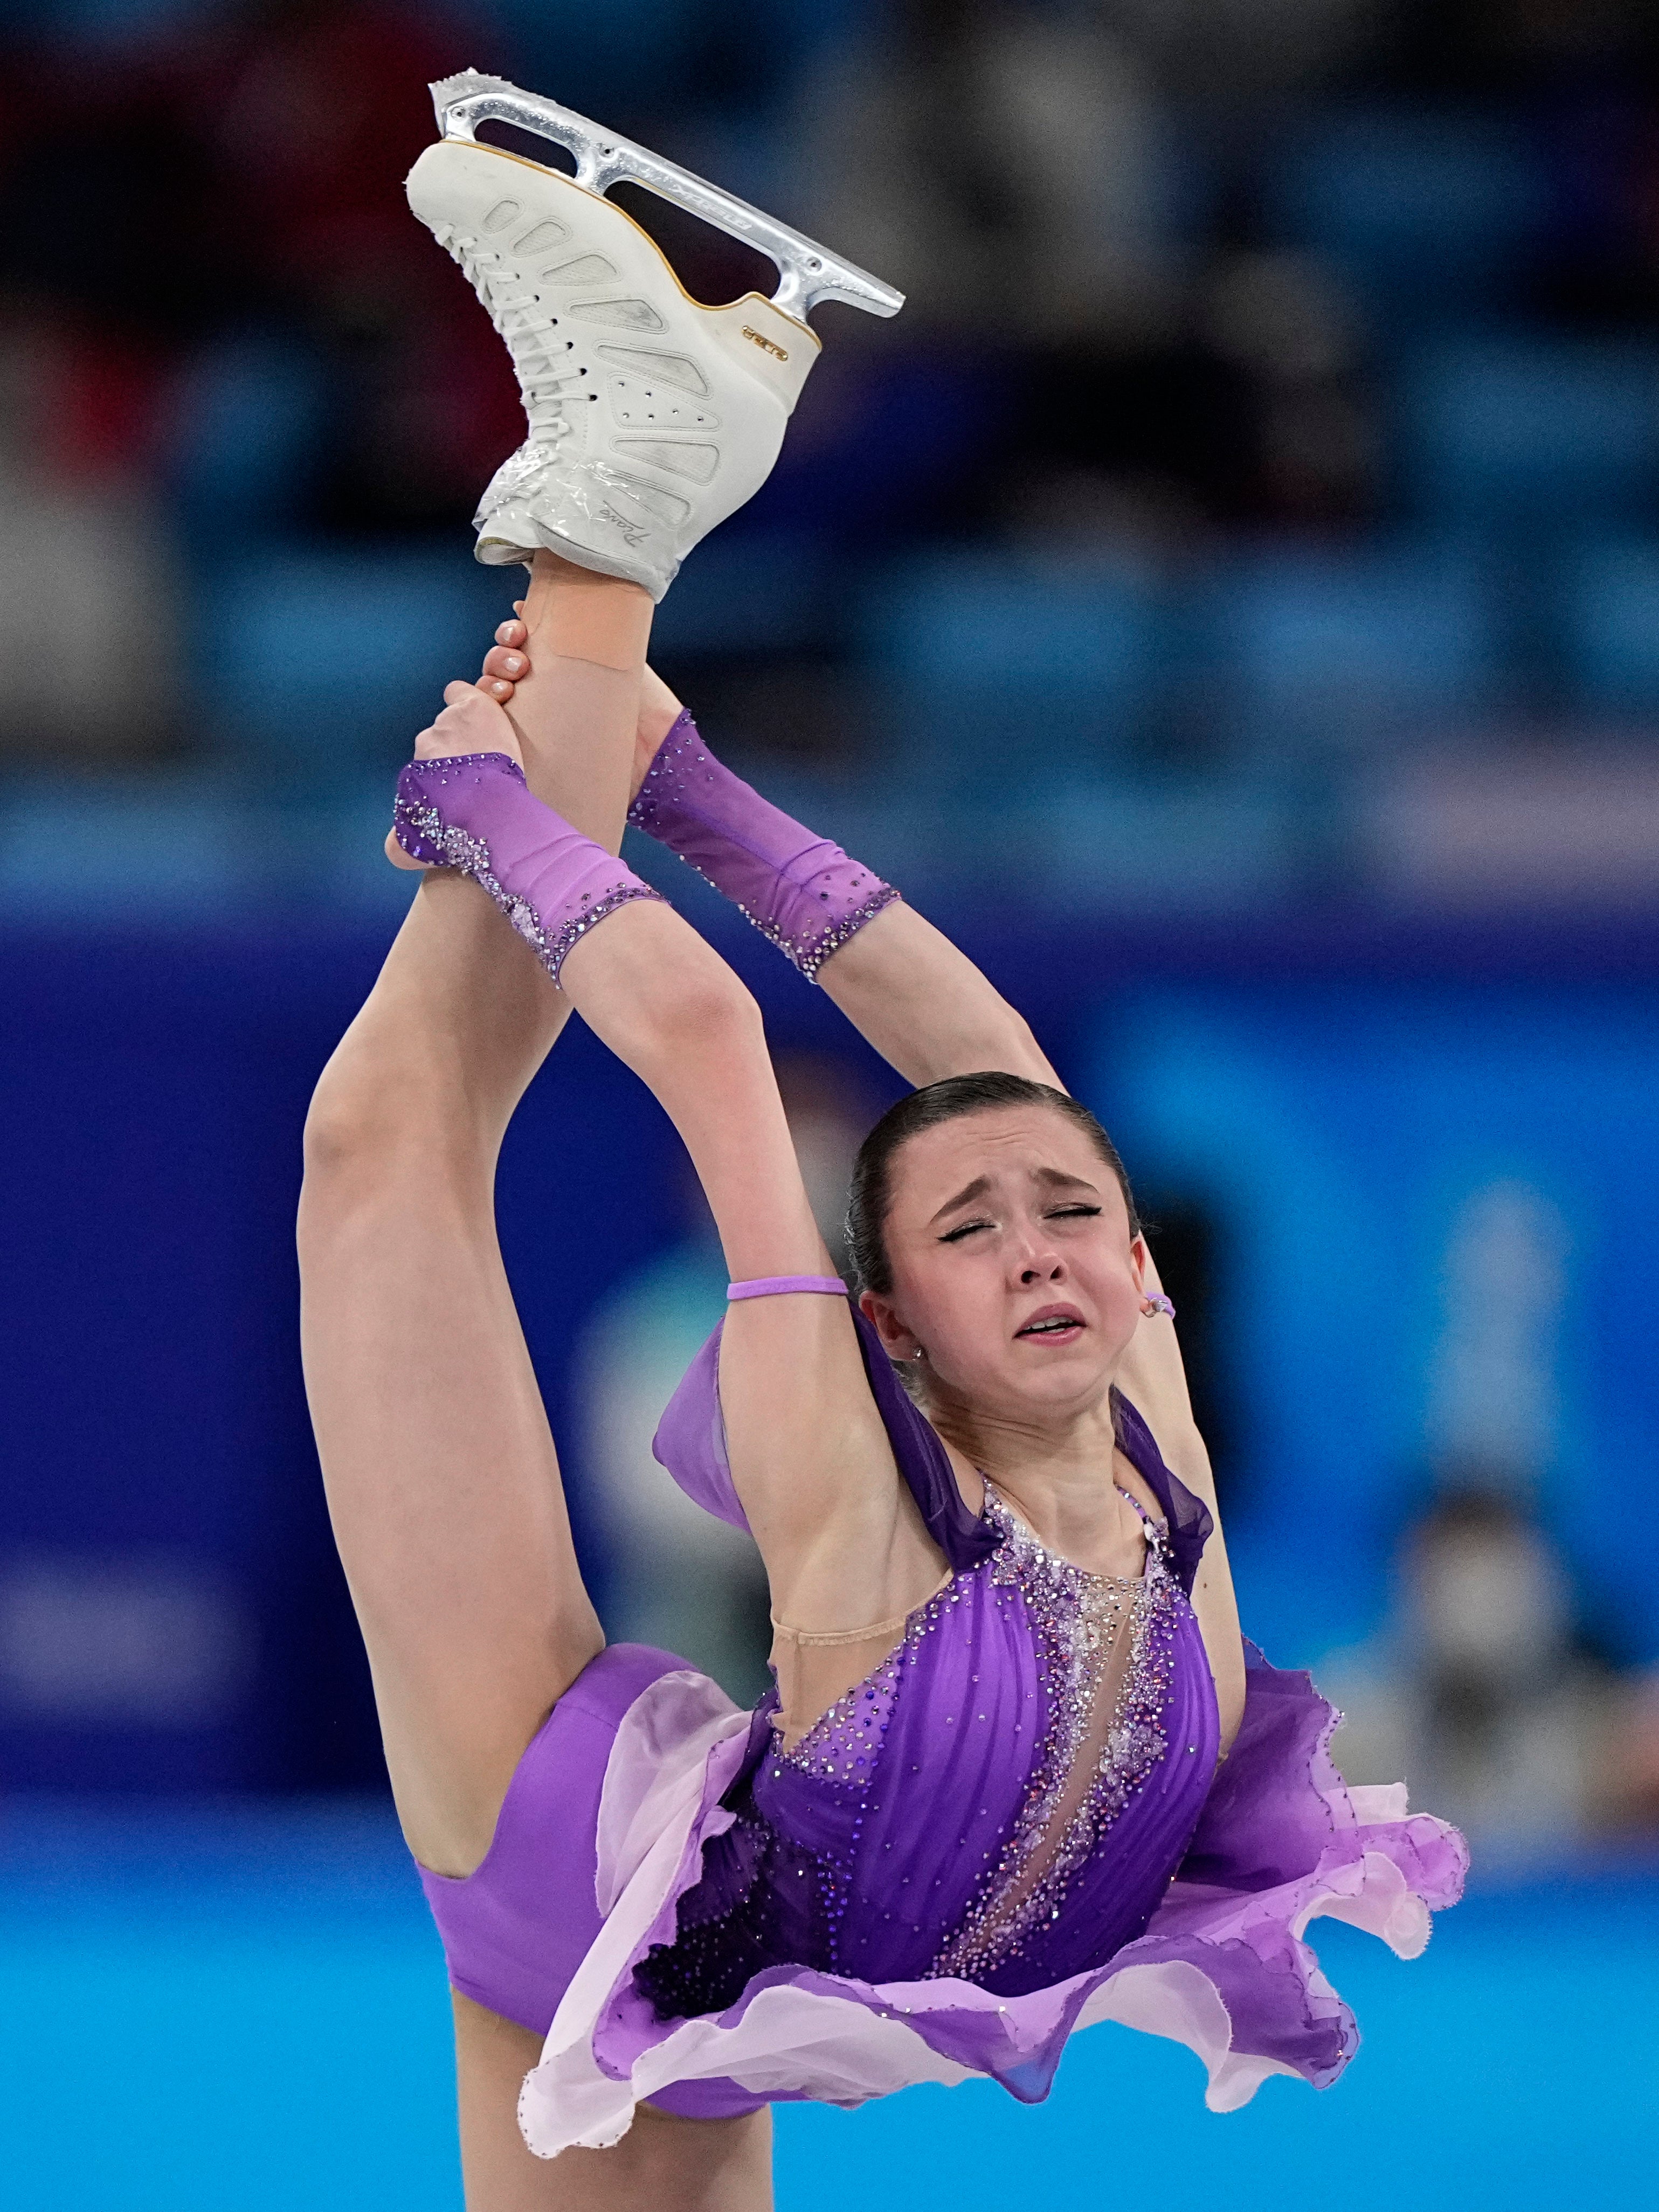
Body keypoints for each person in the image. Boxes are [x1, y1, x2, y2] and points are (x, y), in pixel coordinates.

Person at [297, 96, 1466, 2211]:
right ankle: (618, 518)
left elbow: (837, 1054)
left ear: (1123, 1270)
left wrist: (567, 800)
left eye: (1063, 1219)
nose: (1046, 1245)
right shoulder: (1027, 1453)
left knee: (392, 1137)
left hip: (766, 1923)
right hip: (734, 1908)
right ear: (897, 1325)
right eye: (982, 1226)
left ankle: (620, 540)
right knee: (387, 1149)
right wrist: (582, 794)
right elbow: (777, 1043)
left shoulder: (1062, 1393)